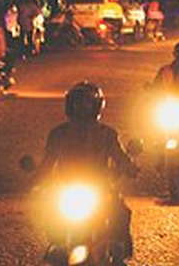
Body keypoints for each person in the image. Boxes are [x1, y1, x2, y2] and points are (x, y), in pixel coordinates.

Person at [37, 82, 139, 259]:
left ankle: (118, 247)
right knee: (50, 211)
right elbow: (47, 162)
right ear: (70, 105)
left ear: (96, 106)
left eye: (87, 103)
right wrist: (36, 178)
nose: (82, 107)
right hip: (66, 187)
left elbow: (119, 157)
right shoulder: (58, 134)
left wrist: (129, 166)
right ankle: (56, 243)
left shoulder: (107, 134)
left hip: (100, 188)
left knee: (120, 212)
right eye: (78, 103)